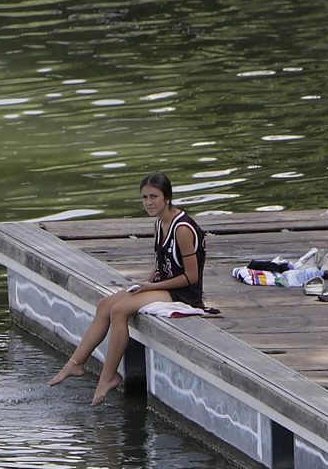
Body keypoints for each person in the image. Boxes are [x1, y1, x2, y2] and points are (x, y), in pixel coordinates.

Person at [48, 171, 208, 405]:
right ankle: (76, 363)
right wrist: (144, 284)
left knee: (119, 311)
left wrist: (152, 286)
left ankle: (109, 376)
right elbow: (161, 265)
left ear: (167, 197)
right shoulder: (159, 224)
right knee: (105, 304)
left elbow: (191, 277)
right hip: (162, 285)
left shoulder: (182, 228)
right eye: (144, 197)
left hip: (183, 293)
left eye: (154, 197)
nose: (149, 202)